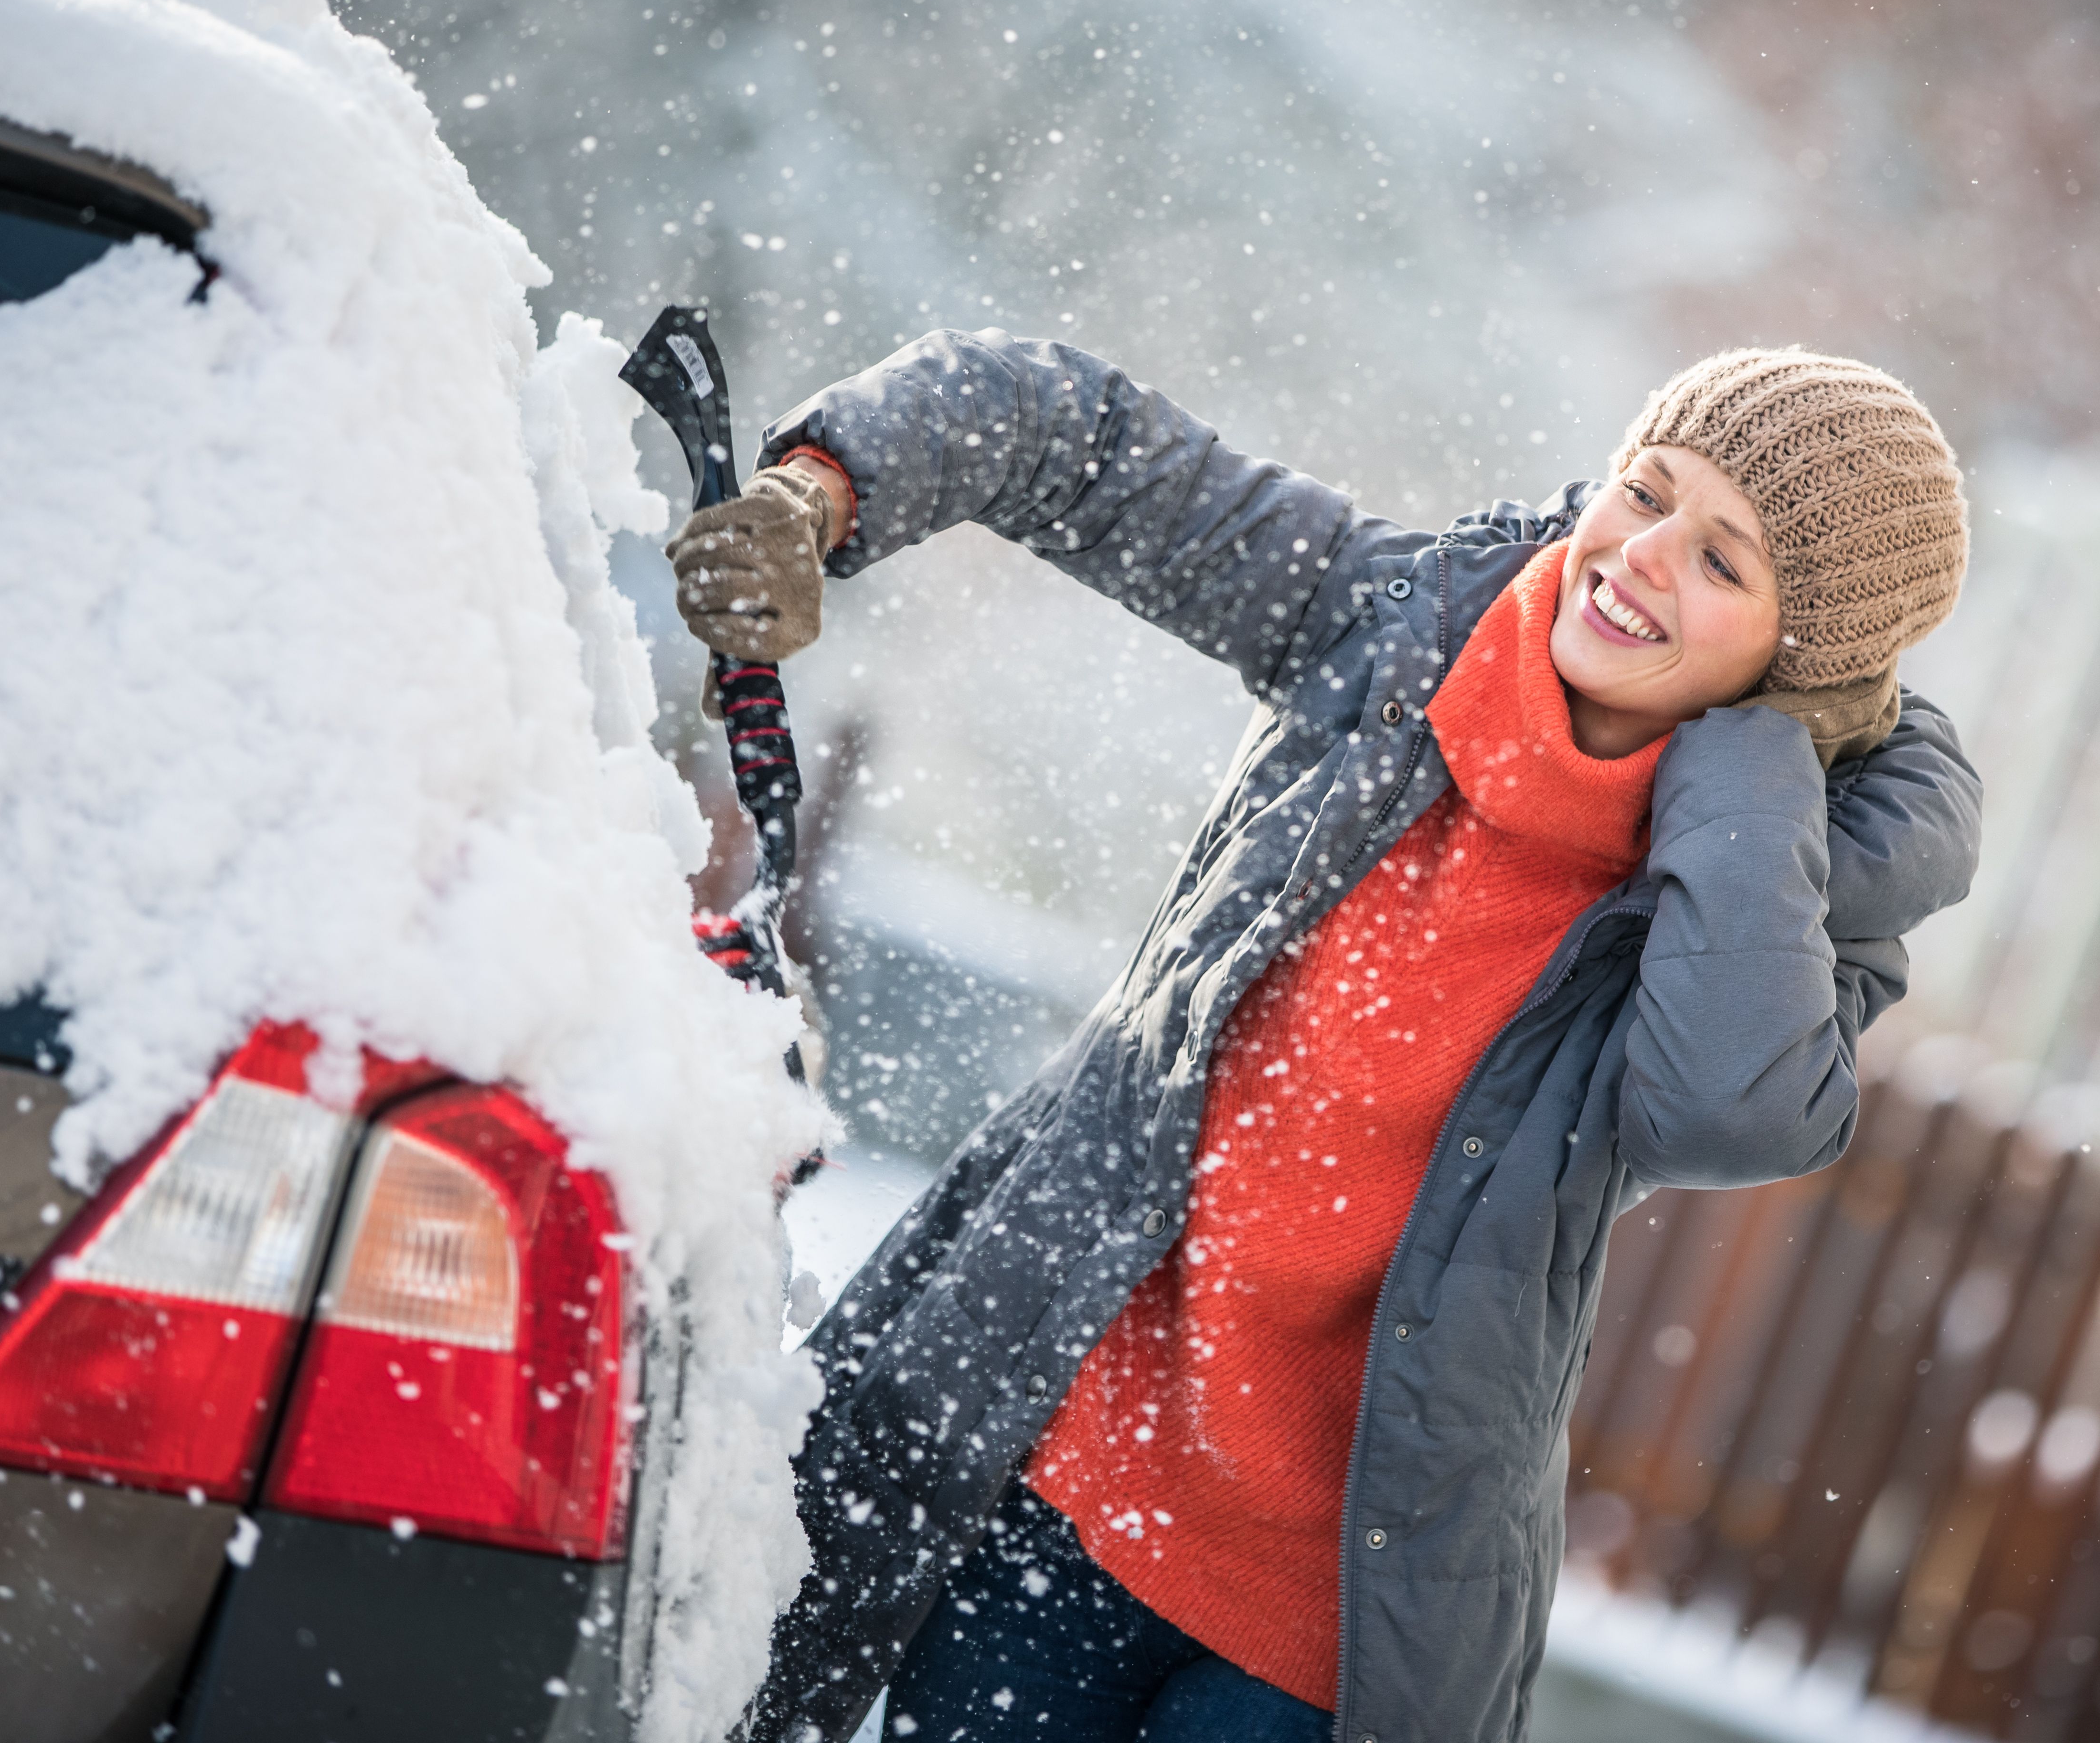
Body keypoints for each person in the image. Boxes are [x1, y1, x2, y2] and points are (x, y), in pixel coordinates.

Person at [667, 335, 1982, 1743]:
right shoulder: (1392, 633)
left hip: (1325, 1631)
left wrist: (1741, 771)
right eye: (1647, 490)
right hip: (1059, 1499)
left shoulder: (1784, 901)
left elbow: (1727, 1106)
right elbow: (1085, 445)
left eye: (1727, 562)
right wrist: (830, 483)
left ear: (1799, 674)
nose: (1647, 555)